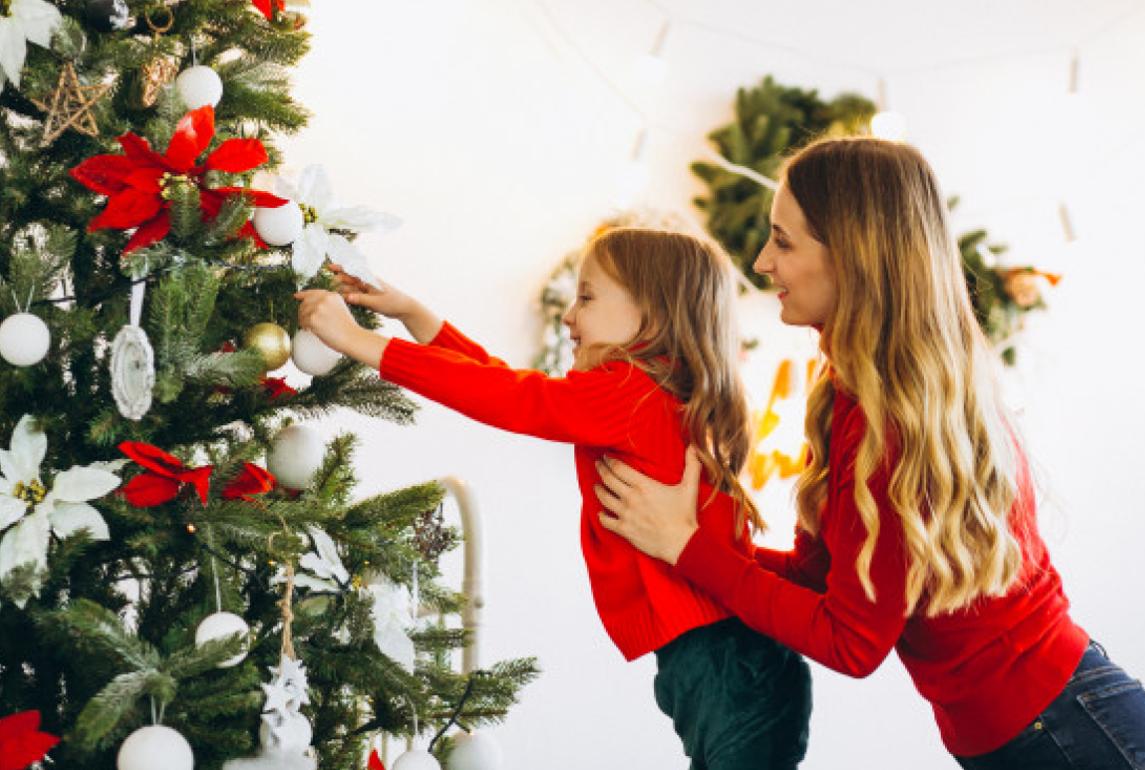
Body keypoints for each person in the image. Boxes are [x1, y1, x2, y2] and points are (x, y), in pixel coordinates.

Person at [593, 138, 1145, 769]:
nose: (763, 261)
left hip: (1073, 739)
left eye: (784, 242)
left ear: (854, 257)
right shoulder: (853, 403)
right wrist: (692, 544)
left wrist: (690, 547)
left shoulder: (894, 426)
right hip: (1041, 735)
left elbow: (852, 643)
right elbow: (820, 584)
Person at [294, 228, 812, 769]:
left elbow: (512, 398)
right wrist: (415, 316)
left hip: (729, 667)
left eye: (586, 298)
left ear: (652, 316)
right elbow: (506, 383)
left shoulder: (632, 393)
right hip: (730, 664)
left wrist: (357, 341)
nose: (569, 316)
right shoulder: (644, 392)